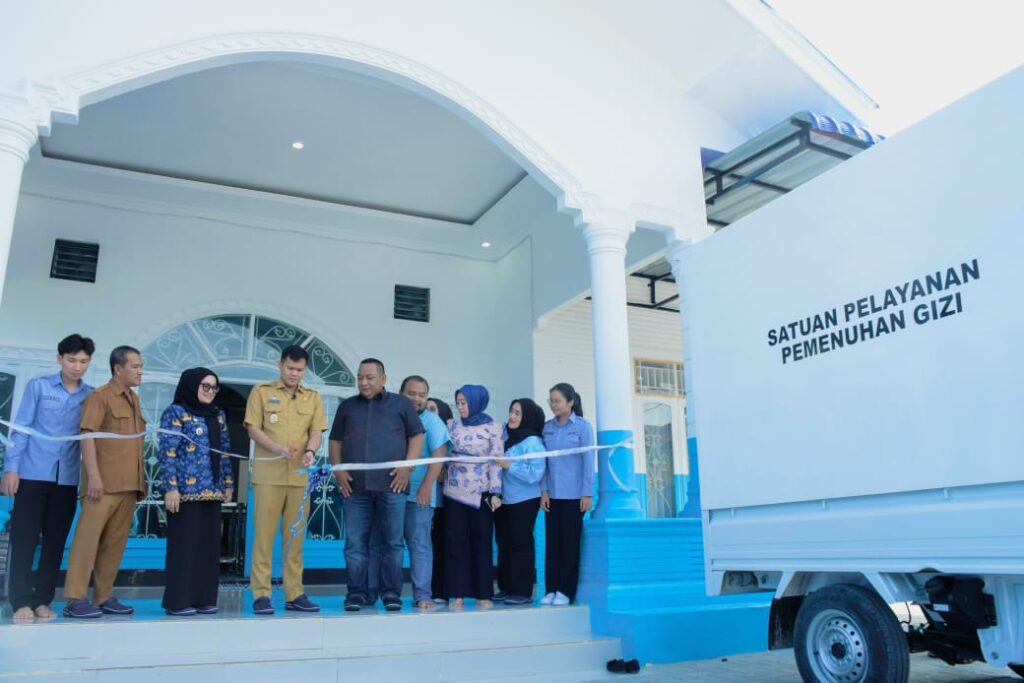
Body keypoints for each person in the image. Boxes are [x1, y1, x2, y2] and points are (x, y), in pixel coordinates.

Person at [1, 334, 95, 622]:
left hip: (66, 479)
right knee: (25, 540)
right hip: (32, 475)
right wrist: (11, 469)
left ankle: (42, 600)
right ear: (59, 359)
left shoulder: (91, 395)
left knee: (55, 543)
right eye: (71, 360)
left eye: (83, 361)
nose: (77, 367)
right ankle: (19, 602)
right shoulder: (38, 386)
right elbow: (21, 428)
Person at [329, 358, 424, 612]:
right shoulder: (347, 407)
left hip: (392, 485)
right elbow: (335, 441)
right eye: (360, 377)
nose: (363, 382)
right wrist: (338, 471)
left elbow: (417, 436)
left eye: (369, 377)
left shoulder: (401, 404)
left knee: (393, 543)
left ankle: (391, 593)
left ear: (383, 379)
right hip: (354, 488)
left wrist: (407, 467)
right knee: (355, 544)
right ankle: (357, 593)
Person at [62, 345, 147, 619]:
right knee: (86, 542)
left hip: (128, 485)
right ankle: (75, 599)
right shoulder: (100, 397)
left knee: (114, 544)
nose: (140, 371)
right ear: (118, 369)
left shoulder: (133, 399)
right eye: (135, 366)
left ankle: (102, 596)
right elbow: (87, 436)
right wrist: (94, 477)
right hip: (103, 486)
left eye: (141, 367)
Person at [244, 345, 327, 615]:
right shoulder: (261, 391)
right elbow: (252, 428)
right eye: (290, 368)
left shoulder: (312, 397)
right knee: (264, 537)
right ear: (280, 366)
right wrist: (277, 448)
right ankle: (261, 594)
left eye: (300, 370)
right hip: (268, 476)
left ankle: (295, 593)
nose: (294, 374)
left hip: (299, 478)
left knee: (295, 539)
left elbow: (317, 431)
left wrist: (311, 451)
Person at [367, 376, 450, 609]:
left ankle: (422, 595)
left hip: (418, 494)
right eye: (411, 394)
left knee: (419, 544)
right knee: (382, 544)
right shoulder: (390, 416)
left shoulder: (433, 421)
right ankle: (374, 594)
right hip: (387, 491)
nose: (417, 399)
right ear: (400, 393)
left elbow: (439, 456)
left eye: (422, 395)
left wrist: (426, 485)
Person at [158, 367, 233, 616]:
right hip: (184, 493)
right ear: (192, 386)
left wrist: (228, 483)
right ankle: (177, 601)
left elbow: (224, 451)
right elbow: (167, 452)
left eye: (214, 387)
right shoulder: (176, 412)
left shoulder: (217, 415)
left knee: (208, 548)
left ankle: (203, 598)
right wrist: (171, 488)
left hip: (212, 492)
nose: (210, 391)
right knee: (184, 547)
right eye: (205, 386)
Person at [443, 385, 504, 609]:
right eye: (458, 402)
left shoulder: (493, 427)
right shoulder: (452, 425)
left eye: (464, 402)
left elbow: (496, 461)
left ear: (477, 402)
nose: (460, 407)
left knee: (482, 541)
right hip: (453, 492)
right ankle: (457, 593)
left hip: (481, 491)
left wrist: (496, 492)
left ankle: (483, 593)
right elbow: (444, 453)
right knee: (455, 542)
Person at [540, 382, 594, 606]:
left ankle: (565, 591)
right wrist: (544, 491)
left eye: (558, 401)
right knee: (552, 544)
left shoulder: (583, 427)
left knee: (570, 544)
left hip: (574, 496)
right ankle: (551, 589)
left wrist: (587, 493)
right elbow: (544, 462)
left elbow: (588, 461)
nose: (553, 405)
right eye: (551, 401)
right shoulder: (547, 428)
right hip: (552, 495)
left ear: (570, 402)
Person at [495, 398, 547, 605]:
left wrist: (510, 465)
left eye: (517, 413)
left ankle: (523, 591)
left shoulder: (533, 442)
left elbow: (535, 474)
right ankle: (506, 587)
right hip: (504, 499)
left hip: (524, 500)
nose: (512, 416)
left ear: (527, 417)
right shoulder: (505, 435)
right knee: (504, 542)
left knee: (520, 543)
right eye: (511, 411)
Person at [426, 397, 454, 602]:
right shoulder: (418, 433)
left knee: (443, 544)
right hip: (424, 499)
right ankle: (427, 589)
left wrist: (444, 469)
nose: (428, 412)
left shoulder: (451, 436)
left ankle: (443, 590)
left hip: (445, 501)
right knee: (426, 545)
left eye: (433, 409)